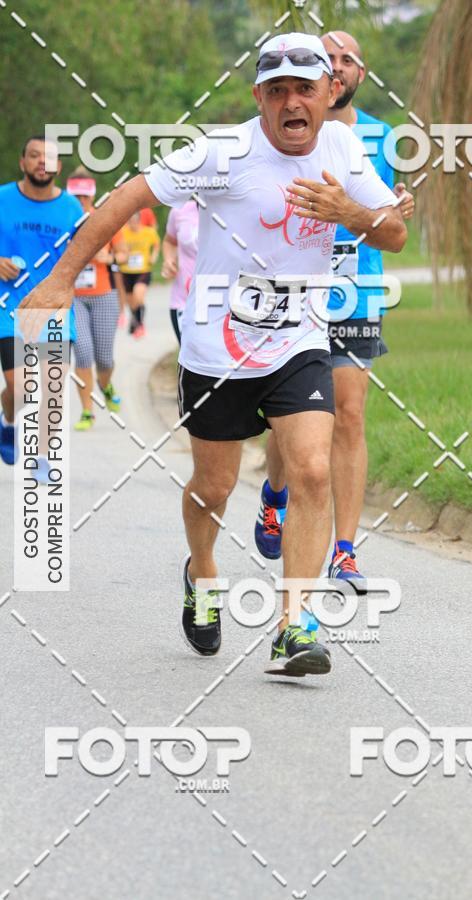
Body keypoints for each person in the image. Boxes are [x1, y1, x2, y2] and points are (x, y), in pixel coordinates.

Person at [19, 33, 407, 677]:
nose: (290, 102)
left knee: (311, 468)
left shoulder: (343, 146)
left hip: (299, 339)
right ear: (258, 96)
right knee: (215, 487)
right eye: (275, 90)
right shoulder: (221, 153)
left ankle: (295, 625)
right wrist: (61, 280)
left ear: (328, 93)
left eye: (303, 89)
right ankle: (201, 573)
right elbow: (126, 199)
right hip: (218, 347)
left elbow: (394, 232)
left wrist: (349, 210)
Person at [255, 30, 415, 592]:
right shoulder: (282, 129)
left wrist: (397, 208)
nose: (340, 66)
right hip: (293, 295)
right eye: (332, 57)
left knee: (348, 414)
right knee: (292, 417)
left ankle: (344, 551)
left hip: (356, 292)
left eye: (349, 59)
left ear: (355, 76)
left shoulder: (380, 135)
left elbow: (388, 217)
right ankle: (275, 494)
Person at [0, 135, 82, 472]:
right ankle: (8, 421)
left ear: (58, 167)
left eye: (48, 158)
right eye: (34, 156)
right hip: (8, 307)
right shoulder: (3, 198)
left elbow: (80, 258)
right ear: (23, 162)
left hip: (54, 310)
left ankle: (43, 458)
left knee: (51, 388)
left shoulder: (71, 209)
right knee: (20, 387)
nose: (41, 163)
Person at [66, 168, 128, 431]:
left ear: (91, 195)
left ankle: (106, 385)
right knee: (82, 354)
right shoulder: (62, 221)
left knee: (104, 358)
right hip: (74, 298)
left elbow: (124, 254)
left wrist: (109, 258)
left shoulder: (105, 219)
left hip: (104, 296)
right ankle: (87, 412)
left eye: (84, 197)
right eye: (75, 196)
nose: (80, 202)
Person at [161, 198, 200, 344]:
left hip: (221, 303)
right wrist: (168, 261)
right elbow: (170, 241)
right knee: (190, 360)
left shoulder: (232, 210)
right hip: (183, 301)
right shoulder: (179, 211)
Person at [119, 211, 159, 338]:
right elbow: (116, 246)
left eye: (135, 221)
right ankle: (135, 320)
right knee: (131, 302)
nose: (133, 224)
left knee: (138, 294)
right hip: (126, 271)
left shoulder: (148, 232)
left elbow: (157, 245)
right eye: (130, 222)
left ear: (139, 221)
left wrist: (153, 256)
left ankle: (139, 324)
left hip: (143, 270)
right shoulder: (123, 233)